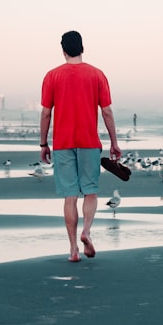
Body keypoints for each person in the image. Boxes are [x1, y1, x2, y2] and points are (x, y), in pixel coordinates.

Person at [40, 30, 121, 263]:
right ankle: (87, 230)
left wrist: (44, 143)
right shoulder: (97, 75)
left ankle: (73, 249)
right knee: (91, 192)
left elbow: (46, 113)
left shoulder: (51, 76)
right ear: (82, 48)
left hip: (63, 144)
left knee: (69, 197)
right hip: (89, 143)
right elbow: (106, 111)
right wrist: (114, 143)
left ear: (63, 50)